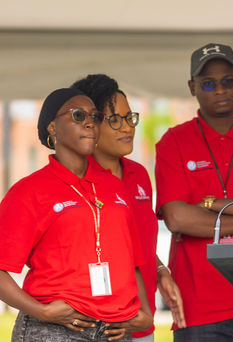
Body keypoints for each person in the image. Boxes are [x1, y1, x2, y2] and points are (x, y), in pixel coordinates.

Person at [155, 43, 233, 341]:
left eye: (227, 81)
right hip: (199, 307)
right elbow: (177, 219)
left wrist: (211, 205)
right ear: (192, 87)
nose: (220, 90)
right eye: (208, 83)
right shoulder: (173, 142)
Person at [0, 88, 153, 341]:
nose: (90, 123)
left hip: (114, 331)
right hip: (54, 330)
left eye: (95, 116)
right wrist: (42, 311)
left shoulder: (114, 187)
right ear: (52, 127)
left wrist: (145, 313)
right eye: (78, 115)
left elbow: (132, 262)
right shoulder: (29, 190)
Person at [71, 74, 186, 341]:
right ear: (91, 124)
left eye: (129, 117)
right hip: (101, 328)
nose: (127, 128)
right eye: (115, 120)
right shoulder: (79, 182)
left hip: (142, 322)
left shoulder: (139, 174)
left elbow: (135, 243)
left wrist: (160, 271)